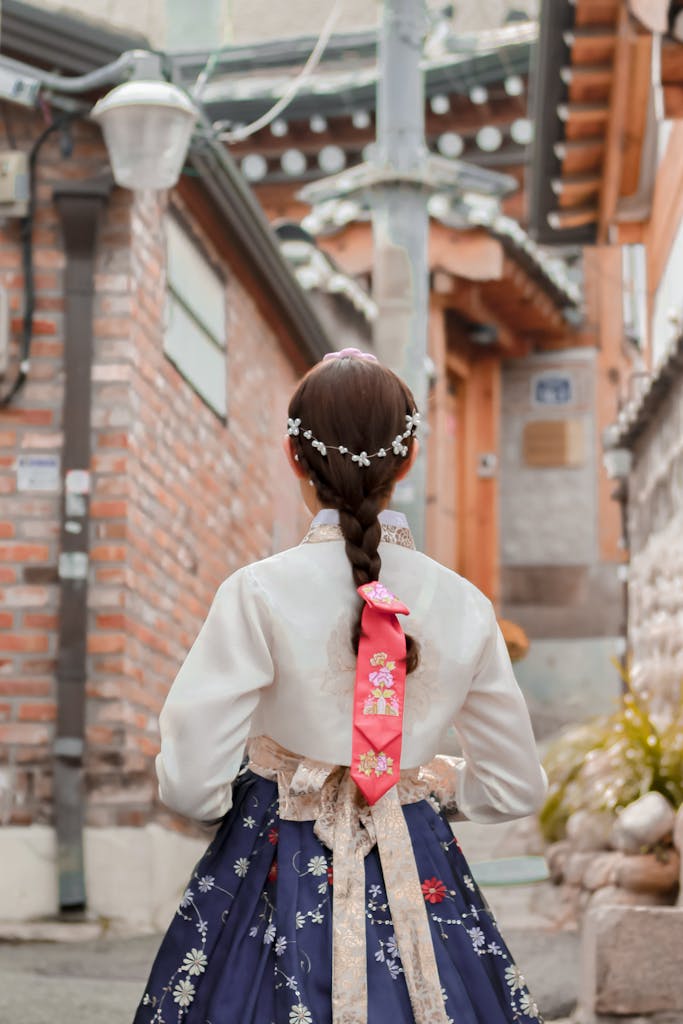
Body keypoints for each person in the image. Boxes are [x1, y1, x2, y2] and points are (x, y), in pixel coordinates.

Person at [133, 349, 547, 1024]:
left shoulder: (256, 593)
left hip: (270, 860)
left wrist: (254, 791)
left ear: (295, 458)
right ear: (407, 460)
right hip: (414, 860)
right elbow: (514, 786)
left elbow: (187, 782)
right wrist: (428, 781)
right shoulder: (465, 605)